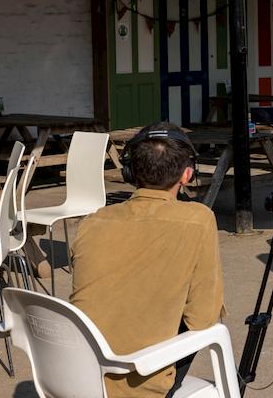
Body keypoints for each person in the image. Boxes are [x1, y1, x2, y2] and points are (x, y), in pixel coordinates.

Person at [70, 121, 225, 397]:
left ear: (130, 172)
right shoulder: (199, 219)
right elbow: (202, 320)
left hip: (75, 375)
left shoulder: (92, 221)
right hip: (143, 383)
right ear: (187, 174)